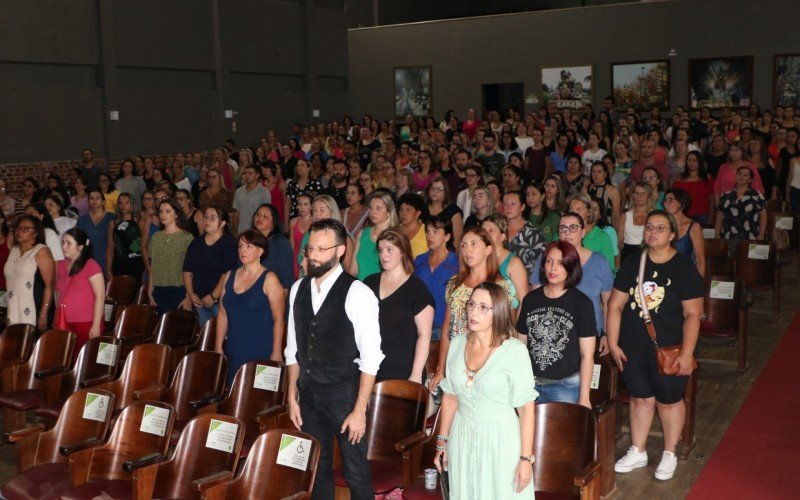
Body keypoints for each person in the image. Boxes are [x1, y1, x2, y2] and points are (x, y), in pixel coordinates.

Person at [284, 219, 384, 499]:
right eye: (309, 249)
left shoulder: (358, 293)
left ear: (340, 250)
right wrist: (292, 395)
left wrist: (359, 410)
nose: (312, 255)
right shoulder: (297, 289)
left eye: (320, 249)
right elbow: (293, 349)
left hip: (344, 395)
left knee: (355, 472)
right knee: (316, 468)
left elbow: (371, 358)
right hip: (309, 395)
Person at [608, 210, 704, 482]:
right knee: (640, 397)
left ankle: (670, 451)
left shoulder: (684, 267)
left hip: (670, 347)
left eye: (661, 228)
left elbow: (693, 314)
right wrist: (614, 343)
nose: (653, 232)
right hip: (633, 345)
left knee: (669, 401)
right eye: (649, 227)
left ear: (673, 234)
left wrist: (687, 353)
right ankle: (638, 450)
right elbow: (615, 305)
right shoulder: (632, 263)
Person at [434, 281, 536, 498]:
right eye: (471, 304)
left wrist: (525, 460)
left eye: (483, 307)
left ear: (497, 312)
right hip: (462, 437)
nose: (474, 311)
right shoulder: (457, 344)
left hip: (500, 441)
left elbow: (527, 409)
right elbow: (451, 396)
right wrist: (442, 442)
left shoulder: (514, 351)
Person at [429, 227, 519, 391]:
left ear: (488, 249)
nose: (467, 250)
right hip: (456, 360)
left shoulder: (502, 286)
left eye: (473, 244)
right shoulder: (454, 283)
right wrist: (441, 369)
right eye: (463, 245)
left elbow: (507, 332)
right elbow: (447, 328)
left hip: (486, 363)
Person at [517, 240, 596, 406]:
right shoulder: (531, 299)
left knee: (564, 432)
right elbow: (519, 345)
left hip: (565, 386)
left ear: (571, 266)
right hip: (530, 384)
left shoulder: (582, 303)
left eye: (560, 263)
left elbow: (587, 356)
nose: (553, 268)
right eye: (549, 261)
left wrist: (584, 397)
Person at [531, 212, 613, 353]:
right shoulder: (546, 260)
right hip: (553, 334)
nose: (567, 232)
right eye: (563, 228)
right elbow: (535, 299)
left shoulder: (599, 262)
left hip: (590, 333)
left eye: (573, 228)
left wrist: (606, 334)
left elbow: (608, 303)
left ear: (583, 232)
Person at [215, 230, 285, 385]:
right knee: (234, 396)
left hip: (261, 347)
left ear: (260, 251)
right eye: (240, 246)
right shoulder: (229, 276)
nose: (243, 250)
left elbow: (278, 319)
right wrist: (218, 346)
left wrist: (276, 351)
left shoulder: (270, 279)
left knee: (259, 399)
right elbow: (222, 314)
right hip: (235, 347)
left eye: (248, 247)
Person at [364, 228, 433, 383]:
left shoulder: (417, 289)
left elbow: (424, 335)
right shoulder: (369, 282)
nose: (383, 255)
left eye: (390, 249)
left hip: (402, 372)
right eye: (381, 250)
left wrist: (415, 375)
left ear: (402, 252)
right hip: (369, 367)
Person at [183, 206, 238, 328]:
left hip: (220, 303)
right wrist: (191, 294)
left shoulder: (229, 243)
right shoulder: (196, 242)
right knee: (204, 340)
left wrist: (213, 297)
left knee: (219, 339)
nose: (207, 221)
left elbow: (227, 273)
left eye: (212, 218)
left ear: (223, 223)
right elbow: (187, 270)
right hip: (198, 300)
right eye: (206, 217)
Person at [55, 228, 105, 357]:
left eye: (69, 243)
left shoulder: (91, 265)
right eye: (63, 242)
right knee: (66, 357)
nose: (64, 247)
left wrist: (96, 325)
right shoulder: (60, 265)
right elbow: (58, 293)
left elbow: (100, 296)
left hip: (86, 321)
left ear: (81, 246)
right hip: (64, 319)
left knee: (85, 358)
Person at [4, 215, 55, 328]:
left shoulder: (41, 251)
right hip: (14, 306)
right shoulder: (14, 250)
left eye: (25, 229)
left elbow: (49, 285)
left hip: (34, 307)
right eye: (18, 228)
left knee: (32, 343)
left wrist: (43, 314)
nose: (20, 231)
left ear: (36, 233)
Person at [414, 216, 459, 342]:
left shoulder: (456, 263)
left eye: (435, 232)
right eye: (428, 232)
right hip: (418, 321)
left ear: (447, 236)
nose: (430, 236)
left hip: (442, 325)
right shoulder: (420, 260)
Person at [148, 199, 194, 315]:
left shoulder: (187, 238)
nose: (163, 214)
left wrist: (189, 296)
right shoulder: (156, 237)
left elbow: (192, 269)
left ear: (176, 214)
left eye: (168, 211)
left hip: (179, 290)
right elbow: (153, 266)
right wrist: (150, 289)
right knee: (160, 329)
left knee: (177, 330)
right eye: (161, 211)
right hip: (158, 290)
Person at [715, 166, 767, 249]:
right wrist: (717, 235)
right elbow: (719, 217)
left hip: (750, 236)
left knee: (747, 261)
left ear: (750, 180)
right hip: (728, 236)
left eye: (745, 175)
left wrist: (761, 235)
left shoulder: (757, 196)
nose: (741, 177)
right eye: (739, 174)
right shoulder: (725, 196)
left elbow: (763, 217)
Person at [350, 191, 397, 281]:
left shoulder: (395, 237)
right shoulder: (362, 234)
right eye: (371, 208)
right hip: (360, 289)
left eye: (378, 208)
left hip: (382, 290)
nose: (373, 212)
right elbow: (353, 270)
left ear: (388, 212)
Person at [481, 214, 529, 303]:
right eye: (483, 231)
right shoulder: (481, 260)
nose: (486, 235)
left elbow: (524, 301)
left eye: (491, 231)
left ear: (502, 236)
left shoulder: (513, 263)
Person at [252, 203, 294, 292]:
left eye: (265, 217)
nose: (260, 218)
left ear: (273, 223)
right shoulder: (250, 240)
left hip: (273, 293)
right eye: (258, 215)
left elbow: (287, 279)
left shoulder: (281, 243)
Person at [568, 193, 616, 271]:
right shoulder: (562, 233)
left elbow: (609, 268)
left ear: (589, 212)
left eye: (579, 209)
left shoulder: (601, 236)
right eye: (571, 209)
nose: (573, 213)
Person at [663, 189, 705, 276]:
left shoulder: (694, 227)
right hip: (666, 272)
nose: (666, 203)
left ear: (682, 204)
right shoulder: (663, 225)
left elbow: (700, 260)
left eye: (670, 200)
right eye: (665, 200)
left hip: (687, 274)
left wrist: (699, 285)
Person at [106, 193, 144, 286]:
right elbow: (110, 249)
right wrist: (108, 271)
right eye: (120, 203)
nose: (123, 205)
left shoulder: (140, 221)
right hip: (119, 263)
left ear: (132, 204)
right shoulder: (113, 224)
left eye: (126, 202)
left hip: (137, 263)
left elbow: (145, 246)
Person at [504, 190, 545, 275]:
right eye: (505, 204)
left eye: (513, 204)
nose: (508, 207)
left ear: (522, 207)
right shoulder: (497, 230)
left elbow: (539, 268)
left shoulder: (534, 234)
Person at [76, 190, 115, 275]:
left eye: (98, 198)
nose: (94, 201)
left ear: (103, 201)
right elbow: (78, 240)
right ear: (88, 202)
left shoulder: (112, 218)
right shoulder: (82, 219)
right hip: (87, 260)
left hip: (107, 259)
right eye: (91, 198)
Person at [671, 151, 715, 224]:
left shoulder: (707, 178)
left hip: (702, 214)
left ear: (700, 162)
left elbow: (711, 199)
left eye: (695, 160)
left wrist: (711, 218)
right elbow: (674, 198)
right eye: (689, 160)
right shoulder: (679, 178)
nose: (692, 163)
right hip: (683, 214)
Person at [617, 182, 655, 264]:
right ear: (633, 195)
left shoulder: (655, 216)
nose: (639, 196)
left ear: (649, 196)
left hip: (649, 255)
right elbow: (619, 244)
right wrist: (618, 265)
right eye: (636, 193)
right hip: (627, 255)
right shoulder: (625, 216)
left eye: (643, 193)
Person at [231, 165, 271, 236]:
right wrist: (235, 231)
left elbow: (267, 214)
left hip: (257, 232)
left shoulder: (264, 192)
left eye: (250, 173)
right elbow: (236, 213)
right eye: (245, 173)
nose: (246, 175)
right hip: (241, 231)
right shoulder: (239, 191)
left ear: (257, 175)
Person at [427, 177, 464, 248]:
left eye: (439, 189)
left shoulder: (453, 211)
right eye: (432, 188)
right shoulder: (423, 207)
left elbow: (457, 241)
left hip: (446, 252)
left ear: (446, 192)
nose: (435, 192)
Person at [289, 192, 313, 279]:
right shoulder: (293, 222)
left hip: (310, 257)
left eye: (305, 204)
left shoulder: (315, 222)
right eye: (300, 204)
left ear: (311, 206)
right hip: (296, 257)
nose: (302, 207)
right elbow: (291, 244)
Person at [397, 193, 429, 259]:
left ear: (418, 213)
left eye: (408, 210)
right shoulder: (395, 231)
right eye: (401, 209)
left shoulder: (427, 231)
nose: (403, 213)